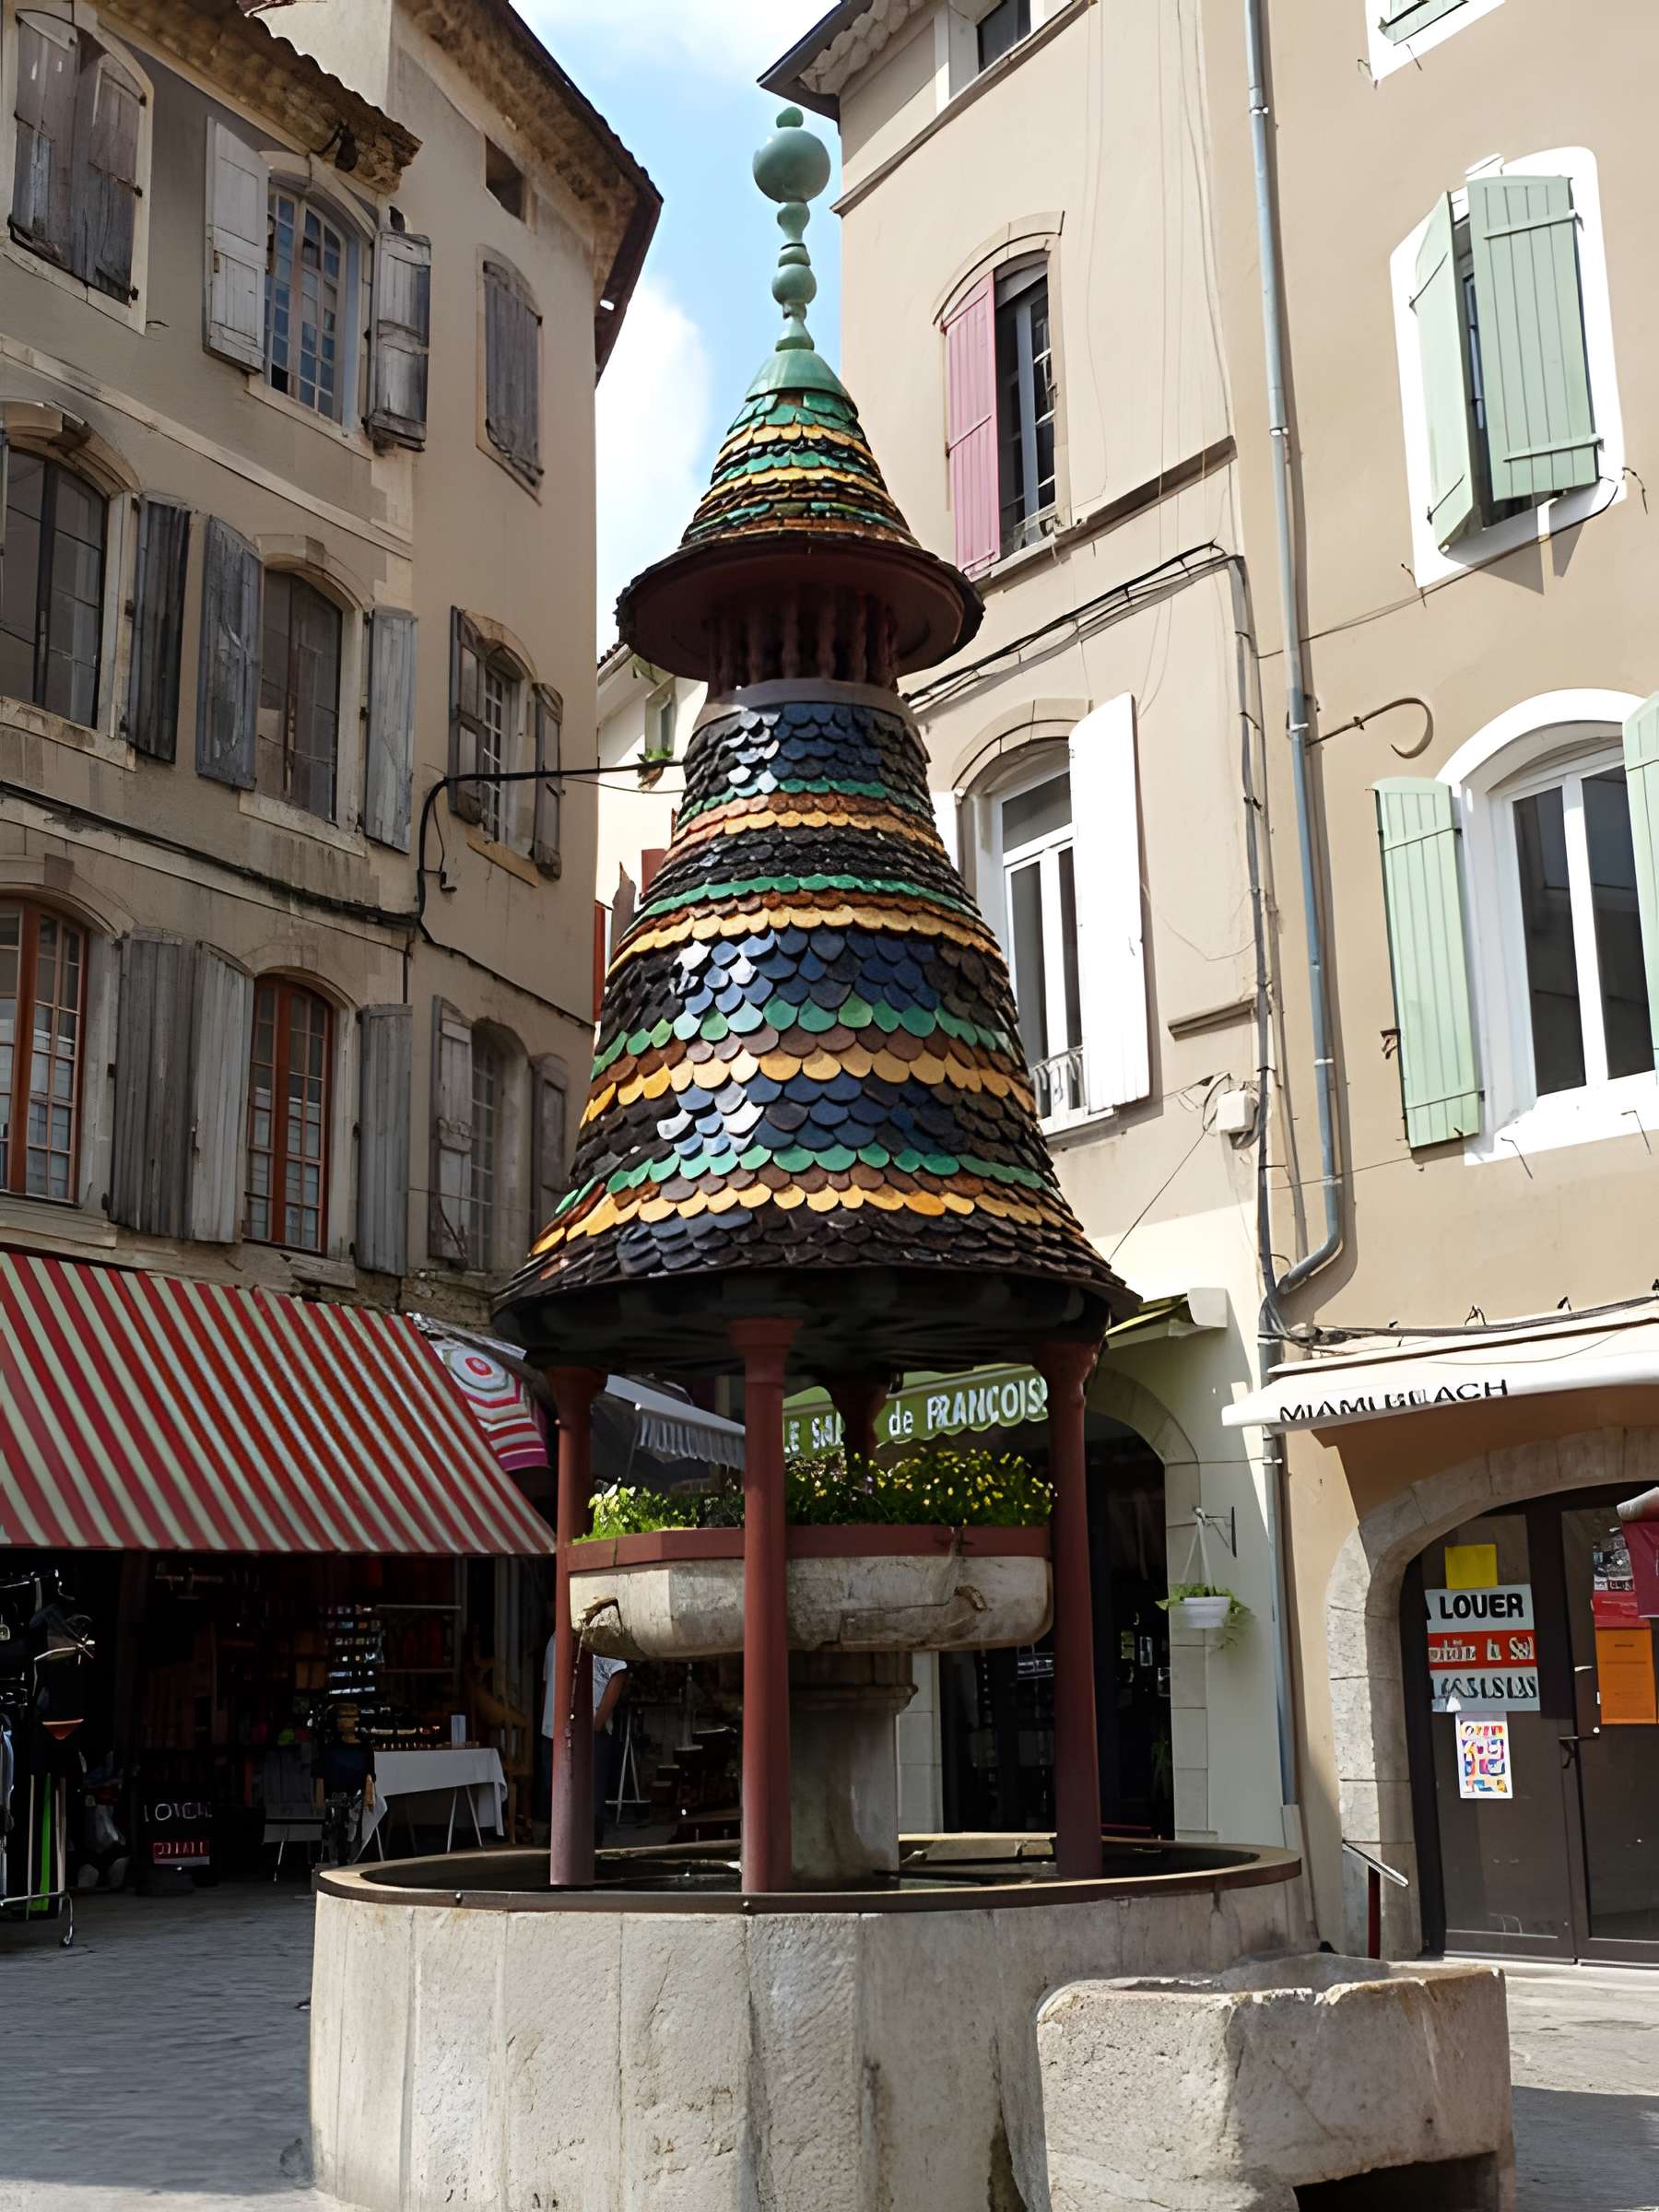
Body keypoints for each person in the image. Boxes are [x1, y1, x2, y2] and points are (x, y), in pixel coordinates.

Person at [539, 1635, 628, 1848]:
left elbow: (618, 1672)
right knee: (556, 1796)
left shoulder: (596, 1636)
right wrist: (545, 1719)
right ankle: (560, 1846)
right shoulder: (554, 1639)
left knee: (589, 1801)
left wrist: (597, 1721)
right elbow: (547, 1682)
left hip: (587, 1731)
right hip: (553, 1732)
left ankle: (590, 1851)